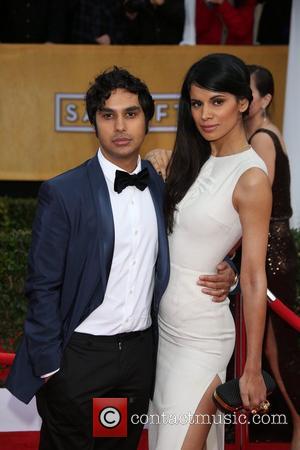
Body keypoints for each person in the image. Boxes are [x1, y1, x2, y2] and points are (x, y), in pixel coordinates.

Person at [6, 66, 236, 450]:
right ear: (94, 123)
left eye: (131, 114)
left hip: (137, 357)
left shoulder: (165, 185)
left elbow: (196, 241)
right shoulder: (63, 192)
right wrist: (51, 366)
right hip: (79, 358)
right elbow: (42, 285)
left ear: (147, 119)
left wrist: (225, 269)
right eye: (108, 115)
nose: (120, 126)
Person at [148, 53, 272, 450]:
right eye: (197, 103)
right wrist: (155, 163)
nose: (205, 114)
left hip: (201, 340)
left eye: (217, 102)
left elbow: (254, 276)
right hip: (162, 333)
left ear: (244, 103)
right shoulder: (195, 156)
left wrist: (251, 369)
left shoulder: (251, 178)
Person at [246, 64, 300, 449]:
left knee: (279, 347)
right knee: (267, 346)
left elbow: (256, 205)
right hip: (267, 249)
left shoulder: (263, 138)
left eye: (248, 91)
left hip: (272, 253)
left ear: (264, 99)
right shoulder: (258, 134)